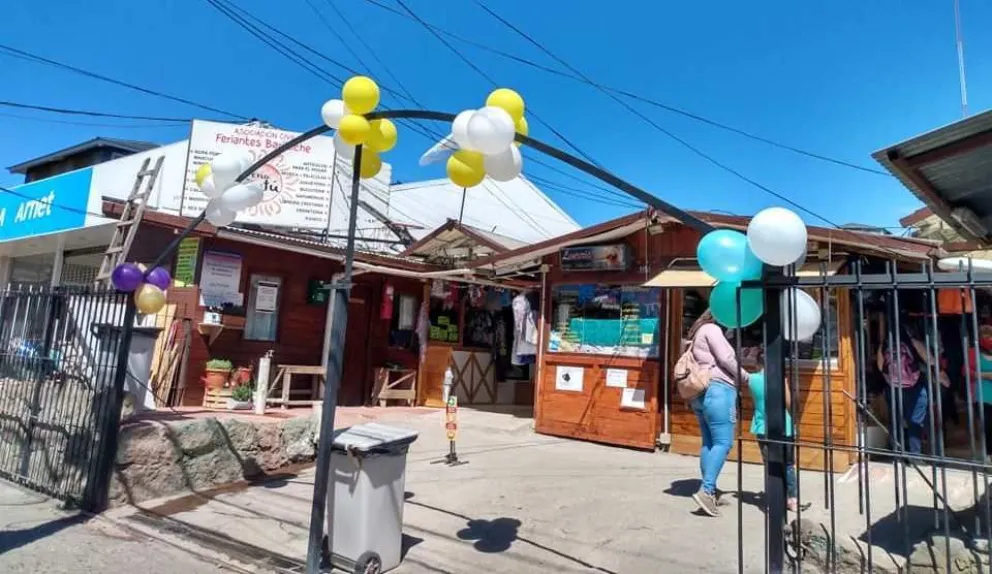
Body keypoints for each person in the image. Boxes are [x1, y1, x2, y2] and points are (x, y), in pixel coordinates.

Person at [686, 310, 749, 517]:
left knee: (709, 442)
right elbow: (727, 357)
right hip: (718, 390)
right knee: (723, 442)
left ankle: (709, 489)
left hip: (700, 392)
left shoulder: (696, 332)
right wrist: (745, 376)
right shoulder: (712, 329)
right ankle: (706, 490)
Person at [748, 349, 802, 512]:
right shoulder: (778, 379)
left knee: (770, 464)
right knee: (788, 464)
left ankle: (774, 498)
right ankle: (792, 498)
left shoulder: (753, 379)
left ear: (758, 363)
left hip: (762, 426)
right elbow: (787, 403)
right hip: (784, 426)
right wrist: (784, 383)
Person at [875, 317, 939, 455]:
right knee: (915, 420)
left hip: (892, 386)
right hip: (914, 386)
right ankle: (915, 454)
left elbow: (880, 367)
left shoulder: (885, 344)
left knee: (896, 419)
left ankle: (896, 452)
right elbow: (931, 361)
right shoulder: (913, 342)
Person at [965, 324, 992, 460]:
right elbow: (966, 371)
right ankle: (987, 455)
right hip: (981, 395)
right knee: (987, 426)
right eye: (985, 336)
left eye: (990, 336)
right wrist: (984, 375)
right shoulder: (973, 352)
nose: (988, 339)